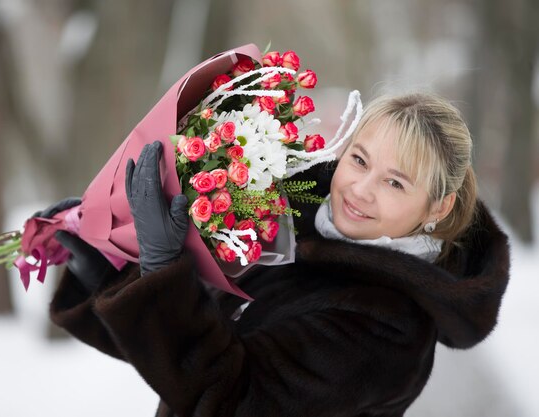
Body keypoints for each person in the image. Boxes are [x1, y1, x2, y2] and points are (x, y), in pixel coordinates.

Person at [43, 92, 510, 417]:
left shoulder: (389, 325)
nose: (361, 191)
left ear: (438, 207)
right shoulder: (294, 233)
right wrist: (110, 277)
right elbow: (187, 361)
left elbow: (226, 400)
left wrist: (162, 274)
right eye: (360, 160)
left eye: (395, 183)